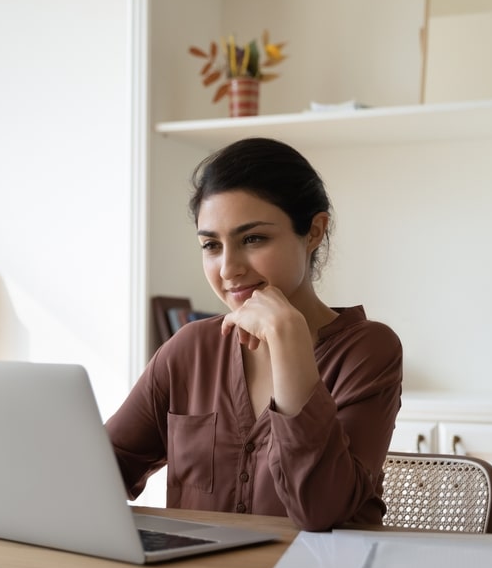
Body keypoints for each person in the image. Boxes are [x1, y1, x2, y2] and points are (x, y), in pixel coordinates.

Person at [106, 137, 403, 531]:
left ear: (314, 232)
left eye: (253, 239)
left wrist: (289, 340)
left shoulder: (368, 351)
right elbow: (101, 471)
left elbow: (321, 511)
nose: (228, 269)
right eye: (211, 245)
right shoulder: (189, 349)